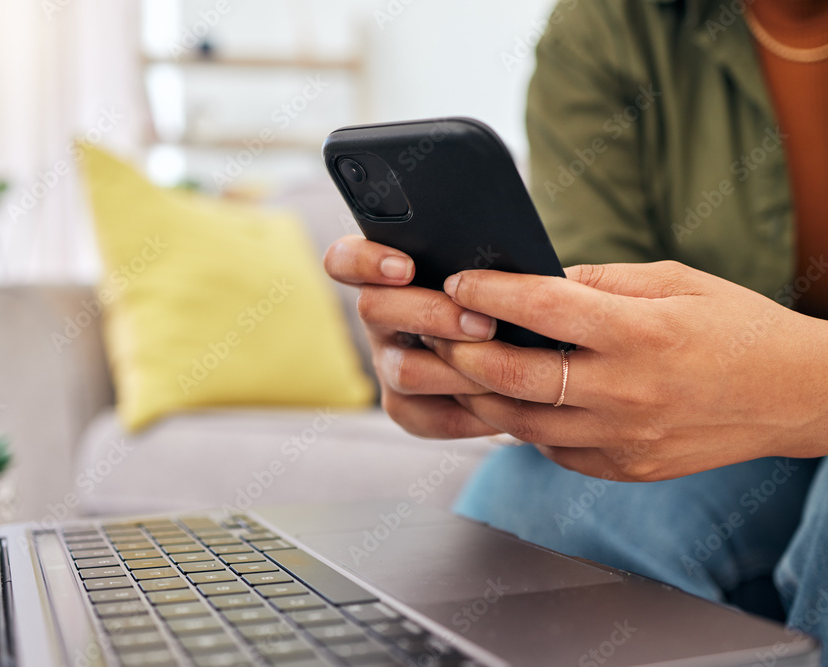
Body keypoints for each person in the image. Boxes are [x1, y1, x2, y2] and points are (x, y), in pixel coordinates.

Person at [323, 0, 828, 659]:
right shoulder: (609, 24)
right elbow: (591, 302)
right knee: (525, 507)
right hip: (718, 439)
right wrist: (476, 356)